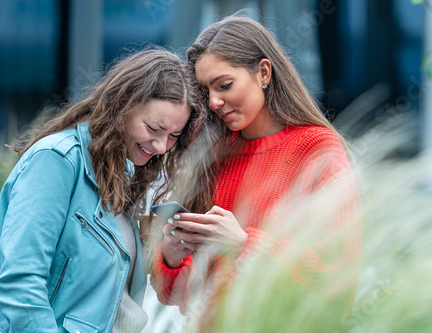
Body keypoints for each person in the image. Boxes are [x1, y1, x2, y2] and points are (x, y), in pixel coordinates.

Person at [150, 15, 361, 330]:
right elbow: (181, 297)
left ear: (263, 72)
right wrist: (171, 256)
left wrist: (243, 243)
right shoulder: (213, 153)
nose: (214, 101)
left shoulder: (318, 150)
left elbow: (336, 282)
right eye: (205, 90)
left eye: (224, 85)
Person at [0, 48, 204, 333]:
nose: (161, 146)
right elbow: (19, 284)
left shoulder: (120, 175)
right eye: (153, 128)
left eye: (173, 136)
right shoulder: (58, 160)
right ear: (123, 105)